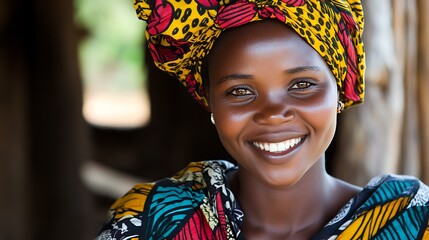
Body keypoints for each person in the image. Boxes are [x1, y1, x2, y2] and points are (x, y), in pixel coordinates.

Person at [96, 0, 429, 239]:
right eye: (240, 91)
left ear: (341, 90)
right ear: (210, 103)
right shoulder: (152, 223)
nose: (272, 113)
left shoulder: (413, 222)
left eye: (302, 85)